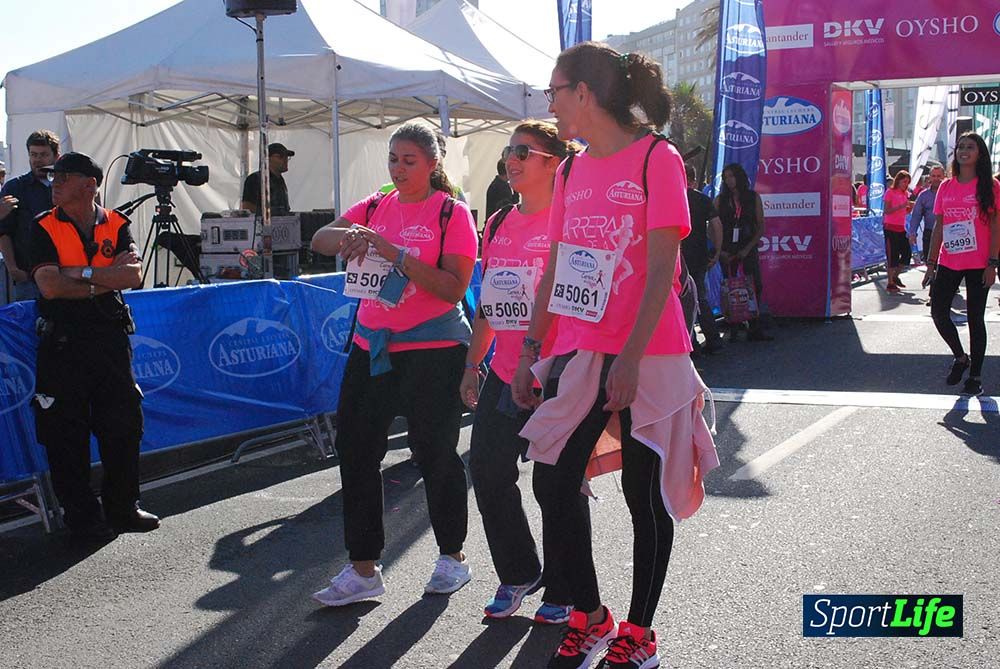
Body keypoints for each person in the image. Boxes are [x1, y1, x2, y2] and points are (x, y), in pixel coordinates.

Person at [512, 43, 718, 669]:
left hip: (648, 352)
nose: (548, 103)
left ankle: (639, 630)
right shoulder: (571, 170)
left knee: (641, 492)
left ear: (584, 94)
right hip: (583, 349)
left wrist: (629, 357)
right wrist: (531, 351)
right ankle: (591, 613)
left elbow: (662, 268)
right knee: (551, 478)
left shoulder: (658, 157)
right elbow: (556, 268)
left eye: (554, 90)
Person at [309, 123, 478, 606]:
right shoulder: (376, 204)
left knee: (434, 452)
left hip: (434, 351)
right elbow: (321, 238)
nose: (398, 169)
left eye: (409, 160)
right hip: (372, 346)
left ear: (432, 164)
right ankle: (363, 568)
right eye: (393, 159)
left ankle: (452, 556)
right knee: (357, 449)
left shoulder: (451, 212)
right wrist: (352, 237)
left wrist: (395, 254)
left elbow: (451, 288)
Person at [461, 121, 581, 625]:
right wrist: (473, 365)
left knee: (555, 487)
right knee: (487, 470)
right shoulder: (496, 223)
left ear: (554, 162)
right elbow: (491, 304)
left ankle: (568, 587)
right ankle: (518, 573)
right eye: (509, 151)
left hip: (558, 374)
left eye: (523, 152)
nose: (511, 159)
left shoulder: (571, 219)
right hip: (505, 371)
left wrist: (540, 360)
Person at [29, 152, 158, 540]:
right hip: (63, 343)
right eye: (54, 175)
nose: (55, 182)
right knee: (64, 433)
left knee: (122, 424)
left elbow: (133, 276)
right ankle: (82, 517)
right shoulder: (43, 227)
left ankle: (123, 507)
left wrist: (82, 275)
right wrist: (105, 280)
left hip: (109, 338)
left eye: (64, 176)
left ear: (90, 185)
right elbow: (50, 285)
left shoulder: (117, 223)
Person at [923, 132, 1000, 397]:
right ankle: (960, 357)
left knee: (975, 318)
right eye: (961, 147)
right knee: (938, 312)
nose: (964, 150)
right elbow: (939, 227)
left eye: (970, 147)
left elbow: (995, 225)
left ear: (980, 153)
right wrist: (931, 263)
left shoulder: (990, 186)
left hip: (979, 262)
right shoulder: (946, 186)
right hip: (949, 260)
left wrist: (993, 263)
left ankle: (976, 376)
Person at [0, 130, 60, 301]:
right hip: (28, 277)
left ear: (56, 156)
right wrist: (13, 269)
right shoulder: (15, 188)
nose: (38, 160)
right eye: (33, 154)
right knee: (30, 324)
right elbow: (4, 232)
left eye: (43, 155)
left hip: (64, 274)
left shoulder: (64, 186)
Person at [716, 163, 772, 340]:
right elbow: (712, 226)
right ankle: (733, 325)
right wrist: (720, 250)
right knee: (729, 287)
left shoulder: (752, 197)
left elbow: (761, 226)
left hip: (747, 247)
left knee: (755, 284)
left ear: (738, 177)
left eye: (731, 176)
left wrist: (748, 249)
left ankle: (754, 327)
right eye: (726, 177)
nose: (729, 180)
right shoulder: (720, 199)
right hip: (726, 249)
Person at [683, 163, 723, 355]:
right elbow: (717, 226)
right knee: (700, 297)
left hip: (679, 256)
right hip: (699, 255)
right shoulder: (702, 199)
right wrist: (716, 251)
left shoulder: (672, 197)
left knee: (680, 300)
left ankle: (690, 342)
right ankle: (713, 338)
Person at [240, 143, 294, 215]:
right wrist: (272, 213)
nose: (285, 160)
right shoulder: (255, 179)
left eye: (287, 157)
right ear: (267, 158)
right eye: (280, 157)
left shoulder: (280, 180)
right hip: (261, 225)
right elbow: (247, 208)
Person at [882, 170, 912, 293]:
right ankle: (890, 282)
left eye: (907, 182)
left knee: (906, 254)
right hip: (890, 227)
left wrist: (909, 208)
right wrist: (901, 206)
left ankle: (895, 276)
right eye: (904, 181)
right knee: (892, 255)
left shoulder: (905, 193)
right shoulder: (890, 192)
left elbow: (904, 211)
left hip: (901, 227)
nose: (905, 184)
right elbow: (887, 211)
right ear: (898, 181)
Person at [909, 165, 945, 266]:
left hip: (948, 233)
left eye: (939, 176)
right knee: (930, 263)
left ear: (944, 176)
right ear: (929, 177)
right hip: (930, 233)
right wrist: (912, 233)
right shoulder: (923, 195)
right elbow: (916, 215)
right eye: (934, 176)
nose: (936, 178)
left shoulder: (950, 192)